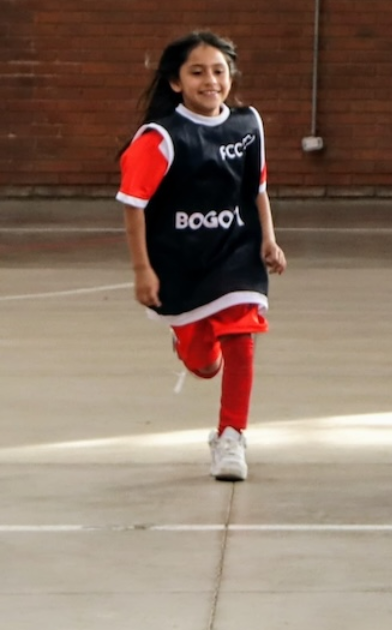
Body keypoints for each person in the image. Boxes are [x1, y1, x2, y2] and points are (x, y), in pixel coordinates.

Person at [117, 31, 286, 482]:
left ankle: (231, 435)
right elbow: (133, 205)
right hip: (181, 260)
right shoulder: (160, 137)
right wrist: (142, 269)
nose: (210, 80)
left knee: (242, 336)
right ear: (176, 82)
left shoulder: (248, 124)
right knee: (206, 365)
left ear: (231, 76)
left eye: (218, 71)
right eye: (197, 72)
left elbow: (257, 189)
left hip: (236, 253)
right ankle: (189, 343)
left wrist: (269, 240)